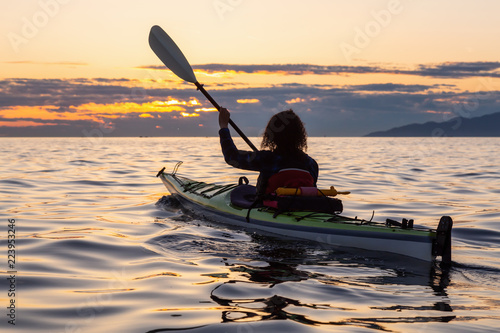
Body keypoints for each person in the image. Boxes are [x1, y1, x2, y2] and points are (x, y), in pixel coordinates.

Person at [218, 107, 319, 195]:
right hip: (306, 209)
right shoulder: (311, 164)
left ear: (272, 136)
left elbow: (232, 157)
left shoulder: (267, 159)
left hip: (269, 208)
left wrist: (224, 127)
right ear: (300, 136)